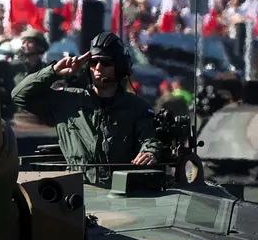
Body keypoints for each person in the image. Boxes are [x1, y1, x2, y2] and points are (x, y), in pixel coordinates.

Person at [12, 31, 165, 186]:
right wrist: (54, 72)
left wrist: (149, 152)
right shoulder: (67, 101)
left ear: (119, 67)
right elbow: (19, 95)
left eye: (105, 63)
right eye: (93, 63)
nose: (98, 68)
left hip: (121, 193)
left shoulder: (136, 107)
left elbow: (149, 138)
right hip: (76, 192)